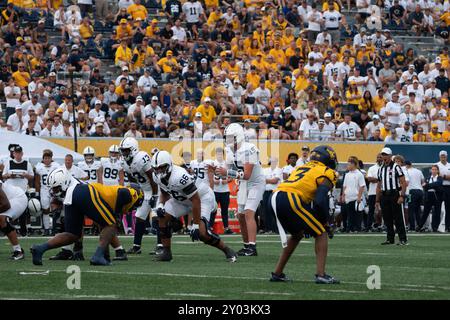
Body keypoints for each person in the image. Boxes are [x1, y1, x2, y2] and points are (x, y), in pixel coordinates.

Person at [31, 168, 144, 266]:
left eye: (56, 188)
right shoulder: (132, 194)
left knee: (73, 234)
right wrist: (117, 216)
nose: (55, 191)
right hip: (84, 192)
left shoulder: (69, 187)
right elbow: (123, 194)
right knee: (111, 224)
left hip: (72, 197)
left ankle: (40, 248)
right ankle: (98, 256)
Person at [269, 145, 339, 284]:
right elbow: (320, 200)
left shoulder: (300, 167)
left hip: (274, 197)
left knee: (297, 234)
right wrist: (327, 222)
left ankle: (277, 273)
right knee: (321, 232)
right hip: (290, 198)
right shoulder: (327, 171)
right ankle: (321, 274)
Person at [151, 150, 237, 262]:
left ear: (169, 165)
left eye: (162, 167)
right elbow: (164, 192)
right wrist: (161, 205)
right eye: (156, 168)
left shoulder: (179, 176)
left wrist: (195, 225)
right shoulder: (156, 176)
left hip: (202, 198)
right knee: (161, 217)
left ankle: (227, 250)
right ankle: (166, 252)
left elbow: (195, 200)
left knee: (202, 233)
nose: (159, 171)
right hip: (182, 199)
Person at [215, 123, 265, 257]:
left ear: (239, 136)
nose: (229, 140)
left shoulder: (249, 148)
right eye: (228, 137)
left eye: (232, 137)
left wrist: (227, 172)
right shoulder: (230, 150)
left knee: (249, 213)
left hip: (255, 183)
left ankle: (253, 247)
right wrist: (217, 171)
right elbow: (227, 171)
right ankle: (246, 245)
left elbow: (247, 174)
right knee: (241, 215)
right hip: (244, 183)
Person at [119, 137, 159, 255]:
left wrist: (156, 195)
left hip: (156, 188)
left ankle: (161, 245)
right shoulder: (125, 162)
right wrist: (137, 191)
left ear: (133, 149)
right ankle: (137, 246)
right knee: (140, 216)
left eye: (126, 150)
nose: (124, 153)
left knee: (157, 217)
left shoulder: (141, 158)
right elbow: (133, 178)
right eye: (123, 150)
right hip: (145, 190)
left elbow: (153, 178)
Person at [376, 147, 408, 245]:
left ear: (390, 156)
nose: (384, 157)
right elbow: (379, 185)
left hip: (394, 194)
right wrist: (377, 200)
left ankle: (403, 239)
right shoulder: (380, 168)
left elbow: (403, 182)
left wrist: (402, 196)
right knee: (387, 218)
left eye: (386, 155)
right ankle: (390, 239)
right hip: (384, 195)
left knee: (398, 218)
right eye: (383, 155)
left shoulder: (396, 167)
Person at [0, 176, 28, 260]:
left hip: (17, 198)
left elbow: (6, 205)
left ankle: (18, 251)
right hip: (7, 201)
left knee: (1, 218)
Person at [34, 149, 61, 236]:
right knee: (45, 209)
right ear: (43, 158)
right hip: (44, 190)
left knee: (55, 209)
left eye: (48, 158)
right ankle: (46, 229)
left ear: (51, 158)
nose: (47, 159)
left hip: (54, 189)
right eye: (45, 158)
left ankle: (54, 228)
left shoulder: (56, 166)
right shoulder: (39, 167)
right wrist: (37, 193)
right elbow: (37, 182)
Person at [210, 147, 233, 234]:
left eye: (221, 154)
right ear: (216, 154)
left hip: (225, 191)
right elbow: (209, 176)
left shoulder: (226, 164)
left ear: (223, 154)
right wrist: (213, 181)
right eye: (218, 153)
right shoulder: (213, 163)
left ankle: (226, 228)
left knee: (224, 210)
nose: (219, 155)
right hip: (215, 191)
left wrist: (226, 181)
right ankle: (210, 227)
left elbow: (231, 177)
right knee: (213, 210)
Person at [342, 156, 366, 232]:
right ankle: (349, 228)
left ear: (353, 164)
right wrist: (343, 195)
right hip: (348, 198)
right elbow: (344, 186)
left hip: (356, 198)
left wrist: (359, 197)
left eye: (349, 164)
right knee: (350, 215)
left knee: (357, 214)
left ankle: (357, 228)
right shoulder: (347, 174)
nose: (347, 166)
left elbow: (362, 186)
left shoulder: (359, 174)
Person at [418, 165, 443, 232]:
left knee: (437, 213)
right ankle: (420, 226)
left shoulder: (439, 178)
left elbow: (438, 184)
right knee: (425, 212)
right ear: (431, 170)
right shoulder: (428, 178)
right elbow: (424, 187)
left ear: (437, 171)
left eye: (435, 169)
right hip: (429, 196)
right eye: (432, 169)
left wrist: (429, 185)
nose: (434, 171)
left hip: (437, 197)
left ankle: (435, 227)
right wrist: (432, 186)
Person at [263, 157, 282, 234]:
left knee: (275, 211)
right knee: (266, 211)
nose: (273, 162)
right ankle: (268, 229)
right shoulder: (265, 170)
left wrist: (266, 180)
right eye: (271, 161)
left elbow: (275, 181)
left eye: (274, 161)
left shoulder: (279, 170)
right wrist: (268, 181)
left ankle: (276, 229)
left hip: (275, 192)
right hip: (266, 192)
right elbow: (262, 180)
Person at [405, 160, 425, 232]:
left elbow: (406, 183)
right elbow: (423, 182)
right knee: (417, 210)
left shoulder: (406, 171)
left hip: (410, 192)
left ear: (406, 165)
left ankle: (412, 227)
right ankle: (419, 226)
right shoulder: (418, 171)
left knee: (410, 210)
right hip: (420, 192)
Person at [366, 154, 383, 231]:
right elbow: (369, 179)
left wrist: (375, 179)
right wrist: (380, 180)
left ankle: (383, 226)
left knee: (384, 210)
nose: (379, 159)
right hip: (372, 192)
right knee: (371, 210)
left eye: (380, 157)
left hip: (383, 192)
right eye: (378, 157)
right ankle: (368, 227)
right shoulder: (372, 168)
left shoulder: (385, 168)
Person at [435, 150, 450, 232]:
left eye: (444, 156)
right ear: (439, 156)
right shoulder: (436, 165)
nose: (443, 157)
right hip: (439, 187)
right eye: (441, 156)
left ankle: (448, 227)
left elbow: (440, 176)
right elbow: (436, 176)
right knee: (437, 207)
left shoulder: (449, 165)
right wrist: (446, 176)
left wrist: (443, 176)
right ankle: (435, 227)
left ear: (446, 156)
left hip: (448, 188)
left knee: (448, 208)